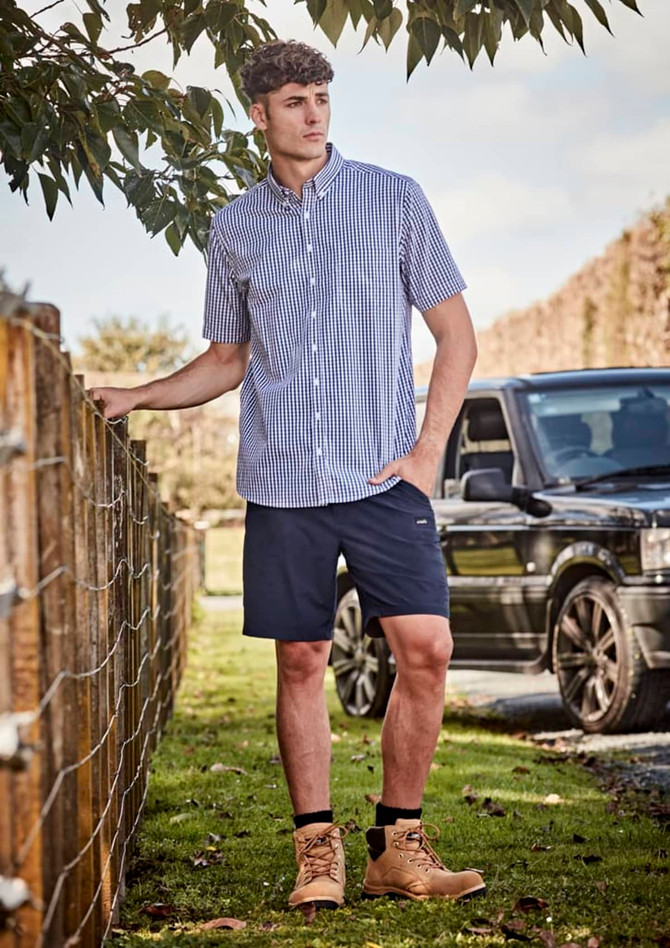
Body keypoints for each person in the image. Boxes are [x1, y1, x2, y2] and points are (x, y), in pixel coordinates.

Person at [88, 39, 484, 911]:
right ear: (259, 114)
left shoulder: (394, 199)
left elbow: (456, 336)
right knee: (302, 659)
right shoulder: (233, 226)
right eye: (296, 101)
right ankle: (317, 854)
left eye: (321, 98)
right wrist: (137, 394)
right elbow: (226, 359)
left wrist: (427, 453)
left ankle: (399, 845)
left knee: (427, 650)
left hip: (385, 479)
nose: (313, 115)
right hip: (282, 483)